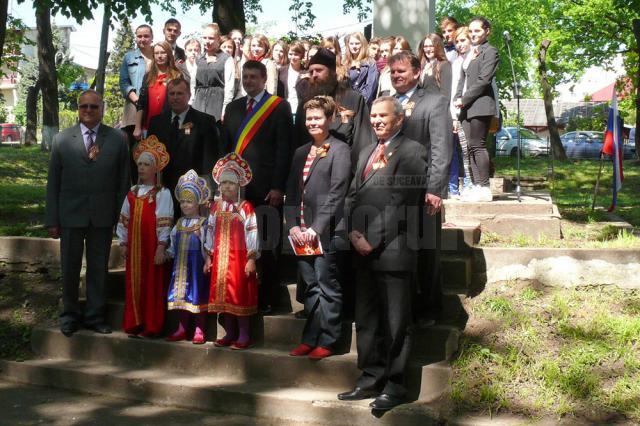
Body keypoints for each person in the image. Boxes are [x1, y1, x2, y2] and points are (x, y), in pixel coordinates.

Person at [337, 96, 427, 410]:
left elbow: (402, 202)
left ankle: (395, 384)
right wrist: (351, 230)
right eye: (373, 116)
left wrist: (371, 238)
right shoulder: (365, 152)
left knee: (395, 321)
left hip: (393, 250)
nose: (375, 120)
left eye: (382, 116)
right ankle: (370, 377)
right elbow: (351, 196)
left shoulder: (412, 151)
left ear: (399, 119)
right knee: (367, 320)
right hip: (362, 250)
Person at [45, 90, 130, 337]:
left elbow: (123, 182)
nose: (89, 111)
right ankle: (69, 316)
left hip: (103, 216)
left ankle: (95, 316)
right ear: (78, 109)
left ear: (102, 109)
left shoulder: (117, 139)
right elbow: (53, 183)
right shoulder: (61, 140)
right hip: (70, 215)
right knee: (70, 268)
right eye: (84, 107)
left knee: (98, 268)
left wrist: (121, 219)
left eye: (94, 107)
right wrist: (52, 220)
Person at [221, 60, 293, 314]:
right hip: (236, 191)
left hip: (266, 190)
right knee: (238, 245)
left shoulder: (279, 106)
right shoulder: (232, 108)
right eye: (245, 77)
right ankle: (238, 295)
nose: (249, 81)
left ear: (264, 79)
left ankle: (268, 299)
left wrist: (278, 187)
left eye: (254, 77)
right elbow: (226, 149)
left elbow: (284, 150)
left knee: (267, 244)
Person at [388, 51, 451, 327]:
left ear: (417, 72)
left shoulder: (434, 102)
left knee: (426, 251)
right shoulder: (387, 103)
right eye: (392, 72)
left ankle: (430, 310)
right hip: (390, 191)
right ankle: (404, 309)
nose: (396, 76)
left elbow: (440, 148)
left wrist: (435, 188)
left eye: (401, 71)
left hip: (422, 190)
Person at [286, 96, 351, 360]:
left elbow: (337, 192)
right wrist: (292, 225)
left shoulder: (340, 149)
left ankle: (329, 339)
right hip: (301, 233)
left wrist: (317, 226)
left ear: (330, 119)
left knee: (327, 285)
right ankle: (310, 337)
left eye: (317, 118)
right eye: (309, 118)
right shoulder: (301, 152)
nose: (312, 122)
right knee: (310, 286)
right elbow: (291, 191)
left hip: (326, 232)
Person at [117, 136, 173, 337]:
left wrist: (161, 246)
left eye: (146, 164)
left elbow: (164, 220)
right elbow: (124, 219)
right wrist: (123, 242)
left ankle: (152, 325)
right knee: (135, 284)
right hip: (134, 247)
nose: (141, 168)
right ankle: (134, 323)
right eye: (139, 164)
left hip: (151, 246)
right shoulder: (132, 192)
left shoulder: (162, 193)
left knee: (152, 284)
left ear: (155, 168)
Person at [206, 153, 260, 350]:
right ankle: (229, 332)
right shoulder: (215, 207)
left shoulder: (245, 207)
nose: (227, 186)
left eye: (231, 183)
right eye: (223, 183)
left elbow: (252, 232)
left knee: (238, 294)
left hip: (238, 259)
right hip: (220, 259)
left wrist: (251, 258)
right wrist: (208, 256)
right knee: (224, 296)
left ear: (239, 186)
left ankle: (244, 334)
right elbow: (210, 231)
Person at [147, 77, 222, 217]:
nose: (175, 97)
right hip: (163, 190)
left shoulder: (205, 121)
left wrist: (207, 193)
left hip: (192, 190)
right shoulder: (156, 122)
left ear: (189, 95)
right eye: (172, 93)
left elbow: (209, 159)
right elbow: (150, 158)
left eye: (180, 93)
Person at [295, 48, 373, 162]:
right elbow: (298, 139)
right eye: (311, 72)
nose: (314, 75)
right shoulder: (305, 102)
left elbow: (362, 141)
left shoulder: (353, 99)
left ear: (332, 72)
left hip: (344, 165)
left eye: (319, 70)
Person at [454, 16, 499, 202]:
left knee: (478, 145)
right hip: (465, 107)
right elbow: (462, 79)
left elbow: (483, 80)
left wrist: (463, 99)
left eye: (477, 31)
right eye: (471, 31)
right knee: (469, 148)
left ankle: (485, 187)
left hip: (480, 105)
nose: (473, 34)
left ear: (487, 31)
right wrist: (458, 98)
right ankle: (476, 185)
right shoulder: (472, 53)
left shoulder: (491, 52)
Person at [166, 169, 211, 344]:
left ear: (198, 203)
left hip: (196, 267)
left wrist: (206, 256)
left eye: (189, 201)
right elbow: (172, 242)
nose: (185, 205)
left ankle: (199, 329)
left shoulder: (203, 223)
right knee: (182, 296)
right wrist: (168, 253)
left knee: (197, 295)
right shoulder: (178, 224)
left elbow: (208, 245)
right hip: (180, 267)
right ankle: (182, 328)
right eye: (183, 202)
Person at [119, 24, 153, 183]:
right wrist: (139, 101)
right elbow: (124, 84)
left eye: (146, 36)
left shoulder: (158, 54)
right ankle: (134, 191)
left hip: (155, 110)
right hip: (133, 112)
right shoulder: (129, 57)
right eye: (139, 36)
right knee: (135, 154)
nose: (142, 39)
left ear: (152, 37)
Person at [133, 41, 183, 141]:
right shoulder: (147, 77)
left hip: (169, 127)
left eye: (163, 52)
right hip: (148, 127)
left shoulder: (177, 76)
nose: (160, 56)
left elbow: (180, 103)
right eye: (157, 53)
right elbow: (141, 103)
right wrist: (137, 127)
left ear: (169, 54)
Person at [448, 26, 473, 198]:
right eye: (457, 41)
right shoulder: (456, 62)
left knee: (470, 150)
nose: (459, 44)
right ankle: (455, 188)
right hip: (456, 111)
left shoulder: (476, 58)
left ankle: (471, 186)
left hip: (472, 110)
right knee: (456, 150)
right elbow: (453, 91)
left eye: (463, 40)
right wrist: (453, 115)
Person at [192, 23, 235, 121]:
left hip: (216, 103)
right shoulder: (198, 59)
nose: (207, 41)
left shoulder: (226, 59)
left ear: (218, 39)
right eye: (204, 38)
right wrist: (191, 103)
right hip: (198, 103)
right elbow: (193, 84)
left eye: (211, 38)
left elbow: (229, 87)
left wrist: (225, 108)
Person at [343, 32, 379, 105]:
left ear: (362, 45)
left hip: (361, 104)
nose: (354, 46)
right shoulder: (344, 63)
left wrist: (358, 104)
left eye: (357, 43)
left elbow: (370, 87)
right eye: (351, 44)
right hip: (344, 105)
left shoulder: (370, 62)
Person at [418, 33, 453, 103]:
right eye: (425, 46)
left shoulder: (444, 65)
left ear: (438, 46)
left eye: (431, 46)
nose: (428, 49)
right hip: (423, 107)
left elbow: (445, 94)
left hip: (436, 108)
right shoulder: (421, 66)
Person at [277, 41, 305, 116]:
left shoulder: (306, 72)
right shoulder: (281, 71)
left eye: (296, 54)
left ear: (301, 55)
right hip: (284, 111)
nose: (293, 57)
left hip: (301, 112)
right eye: (290, 54)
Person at [182, 39, 201, 104]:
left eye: (196, 50)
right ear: (185, 52)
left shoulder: (204, 68)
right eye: (190, 50)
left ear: (200, 52)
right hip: (184, 103)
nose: (193, 52)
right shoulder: (179, 68)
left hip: (199, 103)